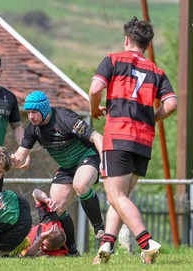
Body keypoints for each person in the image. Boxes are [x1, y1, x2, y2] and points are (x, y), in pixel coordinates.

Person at [89, 17, 177, 265]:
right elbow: (171, 105)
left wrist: (95, 110)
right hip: (143, 140)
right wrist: (152, 118)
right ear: (148, 46)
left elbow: (95, 88)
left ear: (126, 40)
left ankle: (146, 243)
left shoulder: (113, 60)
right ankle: (106, 244)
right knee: (122, 196)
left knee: (116, 196)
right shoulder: (157, 71)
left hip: (118, 135)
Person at [11, 90, 105, 256]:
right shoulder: (33, 129)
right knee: (54, 211)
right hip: (67, 167)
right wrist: (11, 160)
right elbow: (20, 155)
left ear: (44, 109)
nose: (31, 117)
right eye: (28, 113)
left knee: (81, 185)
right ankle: (72, 251)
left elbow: (97, 137)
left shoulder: (64, 118)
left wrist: (105, 161)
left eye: (34, 112)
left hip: (88, 157)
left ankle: (100, 232)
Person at [18, 189, 68, 257]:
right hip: (21, 228)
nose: (42, 245)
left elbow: (28, 256)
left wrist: (41, 238)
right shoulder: (50, 222)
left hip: (18, 243)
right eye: (44, 242)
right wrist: (46, 199)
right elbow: (35, 192)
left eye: (46, 246)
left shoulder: (56, 253)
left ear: (55, 248)